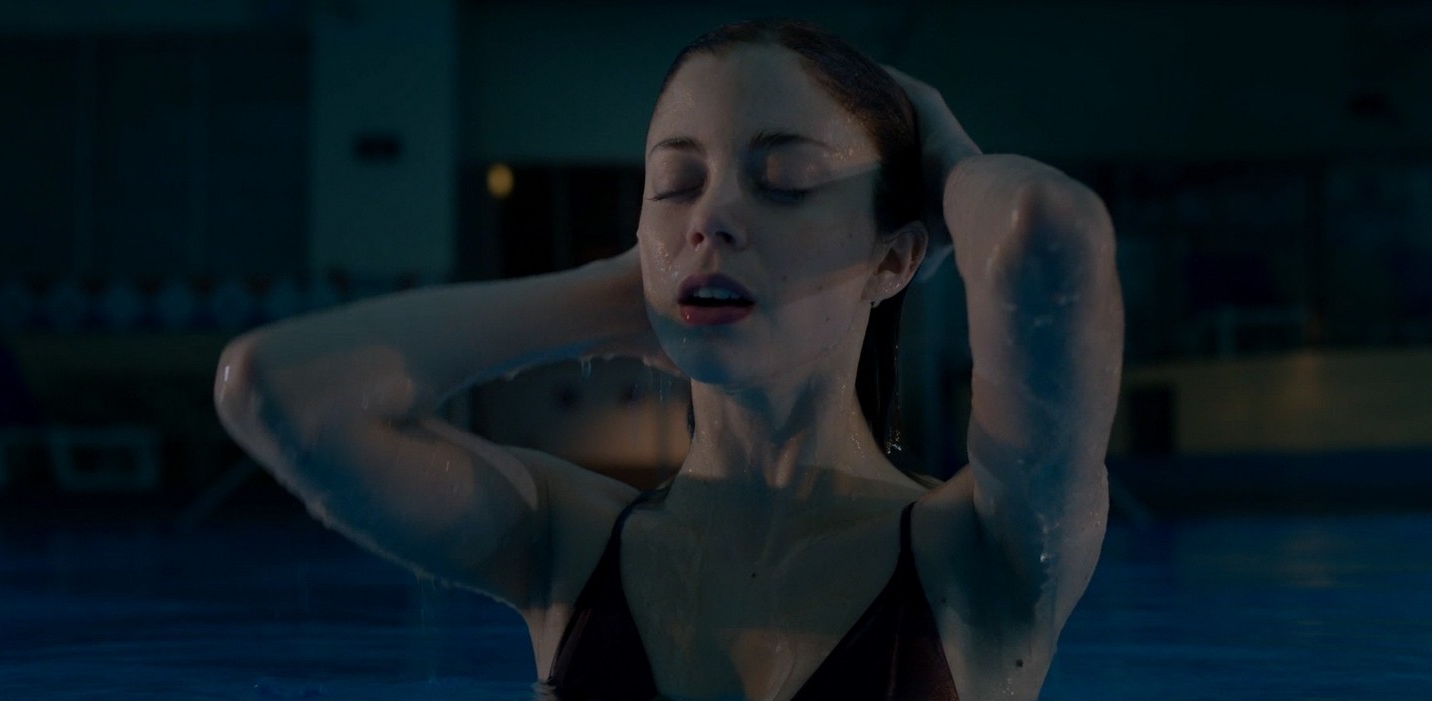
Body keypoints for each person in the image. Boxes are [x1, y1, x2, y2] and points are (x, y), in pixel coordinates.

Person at [214, 19, 1122, 701]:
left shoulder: (981, 558)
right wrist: (626, 296)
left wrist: (947, 157)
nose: (710, 217)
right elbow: (275, 391)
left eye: (787, 183)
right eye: (676, 184)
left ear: (894, 259)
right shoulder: (563, 544)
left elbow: (1052, 236)